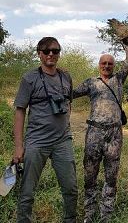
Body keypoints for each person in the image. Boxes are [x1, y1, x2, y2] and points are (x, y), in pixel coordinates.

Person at [13, 37, 78, 223]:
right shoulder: (29, 78)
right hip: (37, 141)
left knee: (71, 188)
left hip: (62, 141)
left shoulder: (66, 76)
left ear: (59, 53)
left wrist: (66, 126)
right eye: (46, 50)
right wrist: (19, 146)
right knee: (27, 191)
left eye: (55, 51)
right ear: (39, 53)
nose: (51, 54)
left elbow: (68, 104)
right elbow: (19, 111)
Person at [73, 43, 128, 223]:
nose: (106, 66)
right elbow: (70, 93)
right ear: (99, 65)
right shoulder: (91, 82)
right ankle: (89, 214)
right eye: (103, 63)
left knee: (111, 175)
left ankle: (105, 215)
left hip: (114, 134)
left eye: (110, 63)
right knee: (90, 174)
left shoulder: (119, 79)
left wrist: (126, 42)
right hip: (94, 132)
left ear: (113, 66)